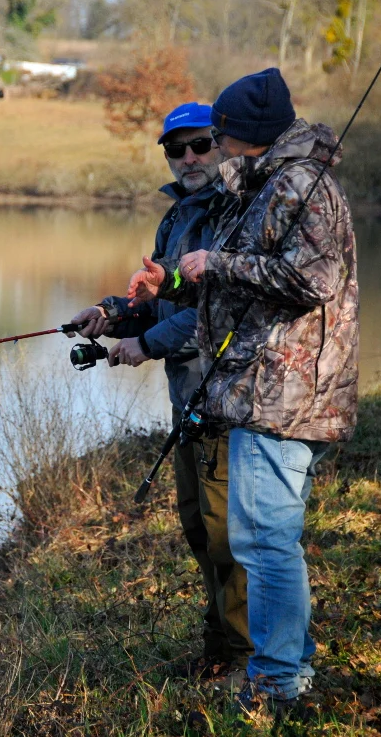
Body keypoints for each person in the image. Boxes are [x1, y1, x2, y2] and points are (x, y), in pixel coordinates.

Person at [126, 68, 359, 718]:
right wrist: (169, 281)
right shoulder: (263, 185)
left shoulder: (303, 186)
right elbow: (229, 278)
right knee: (262, 539)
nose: (212, 148)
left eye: (219, 136)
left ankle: (277, 681)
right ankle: (285, 669)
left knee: (265, 542)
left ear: (249, 134)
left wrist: (217, 263)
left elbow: (315, 280)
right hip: (259, 392)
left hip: (286, 396)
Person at [68, 103, 253, 679]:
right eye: (176, 150)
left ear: (221, 143)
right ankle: (220, 649)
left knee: (228, 536)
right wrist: (110, 315)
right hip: (186, 400)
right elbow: (163, 297)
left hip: (226, 399)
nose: (189, 158)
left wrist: (146, 345)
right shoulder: (176, 217)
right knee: (198, 526)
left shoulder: (236, 211)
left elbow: (215, 313)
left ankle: (246, 660)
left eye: (199, 145)